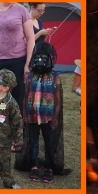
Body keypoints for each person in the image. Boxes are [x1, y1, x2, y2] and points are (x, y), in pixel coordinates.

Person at [22, 40, 65, 182]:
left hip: (48, 117)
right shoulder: (29, 76)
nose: (41, 60)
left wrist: (56, 117)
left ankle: (49, 167)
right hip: (32, 116)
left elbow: (58, 99)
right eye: (38, 56)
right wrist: (25, 115)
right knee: (33, 141)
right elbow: (25, 95)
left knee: (49, 142)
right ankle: (33, 166)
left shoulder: (55, 77)